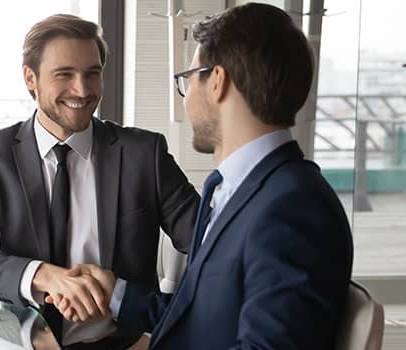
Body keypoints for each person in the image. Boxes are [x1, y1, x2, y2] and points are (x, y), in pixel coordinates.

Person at [48, 3, 354, 349]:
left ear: (217, 82)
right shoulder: (235, 190)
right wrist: (115, 293)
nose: (185, 98)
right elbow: (199, 319)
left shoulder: (294, 208)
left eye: (187, 80)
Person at [0, 14, 200, 348]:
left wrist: (165, 328)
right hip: (28, 343)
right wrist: (46, 276)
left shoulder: (143, 154)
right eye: (65, 74)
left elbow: (211, 246)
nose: (82, 90)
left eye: (93, 74)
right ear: (30, 78)